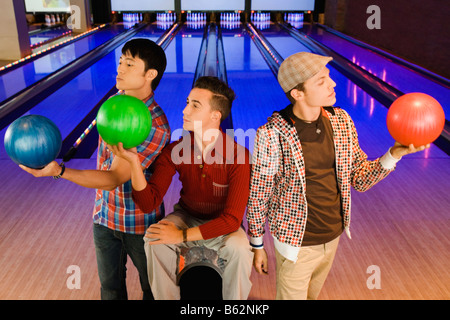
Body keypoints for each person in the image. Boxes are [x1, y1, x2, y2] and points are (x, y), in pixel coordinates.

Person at [246, 52, 430, 300]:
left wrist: (393, 154)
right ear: (297, 94)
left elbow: (360, 179)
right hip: (296, 241)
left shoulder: (342, 121)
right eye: (321, 81)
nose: (332, 84)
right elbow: (259, 194)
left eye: (329, 77)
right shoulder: (271, 135)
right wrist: (257, 245)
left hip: (332, 235)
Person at [19, 39, 171, 300]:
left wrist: (59, 171)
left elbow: (113, 178)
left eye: (130, 64)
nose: (120, 68)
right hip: (103, 216)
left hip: (138, 224)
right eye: (121, 61)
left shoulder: (155, 125)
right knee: (110, 289)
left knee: (153, 291)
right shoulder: (113, 104)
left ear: (150, 74)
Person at [108, 76, 253, 300]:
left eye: (195, 105)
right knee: (154, 239)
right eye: (187, 102)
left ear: (215, 116)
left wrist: (181, 236)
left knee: (240, 250)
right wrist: (134, 162)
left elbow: (232, 220)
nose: (185, 110)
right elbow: (148, 203)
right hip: (187, 215)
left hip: (223, 225)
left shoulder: (238, 156)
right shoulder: (175, 150)